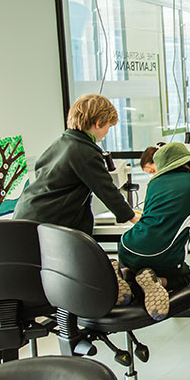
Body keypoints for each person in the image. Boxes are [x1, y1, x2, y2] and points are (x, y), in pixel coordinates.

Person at [14, 94, 141, 308]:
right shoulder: (84, 151)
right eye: (108, 126)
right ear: (98, 123)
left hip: (26, 216)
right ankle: (111, 281)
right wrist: (132, 217)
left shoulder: (60, 143)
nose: (106, 133)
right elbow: (106, 190)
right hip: (49, 223)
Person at [118, 143, 190, 320]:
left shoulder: (153, 183)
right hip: (162, 252)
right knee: (185, 275)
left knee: (142, 266)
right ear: (188, 164)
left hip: (128, 246)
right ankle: (156, 281)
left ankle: (127, 276)